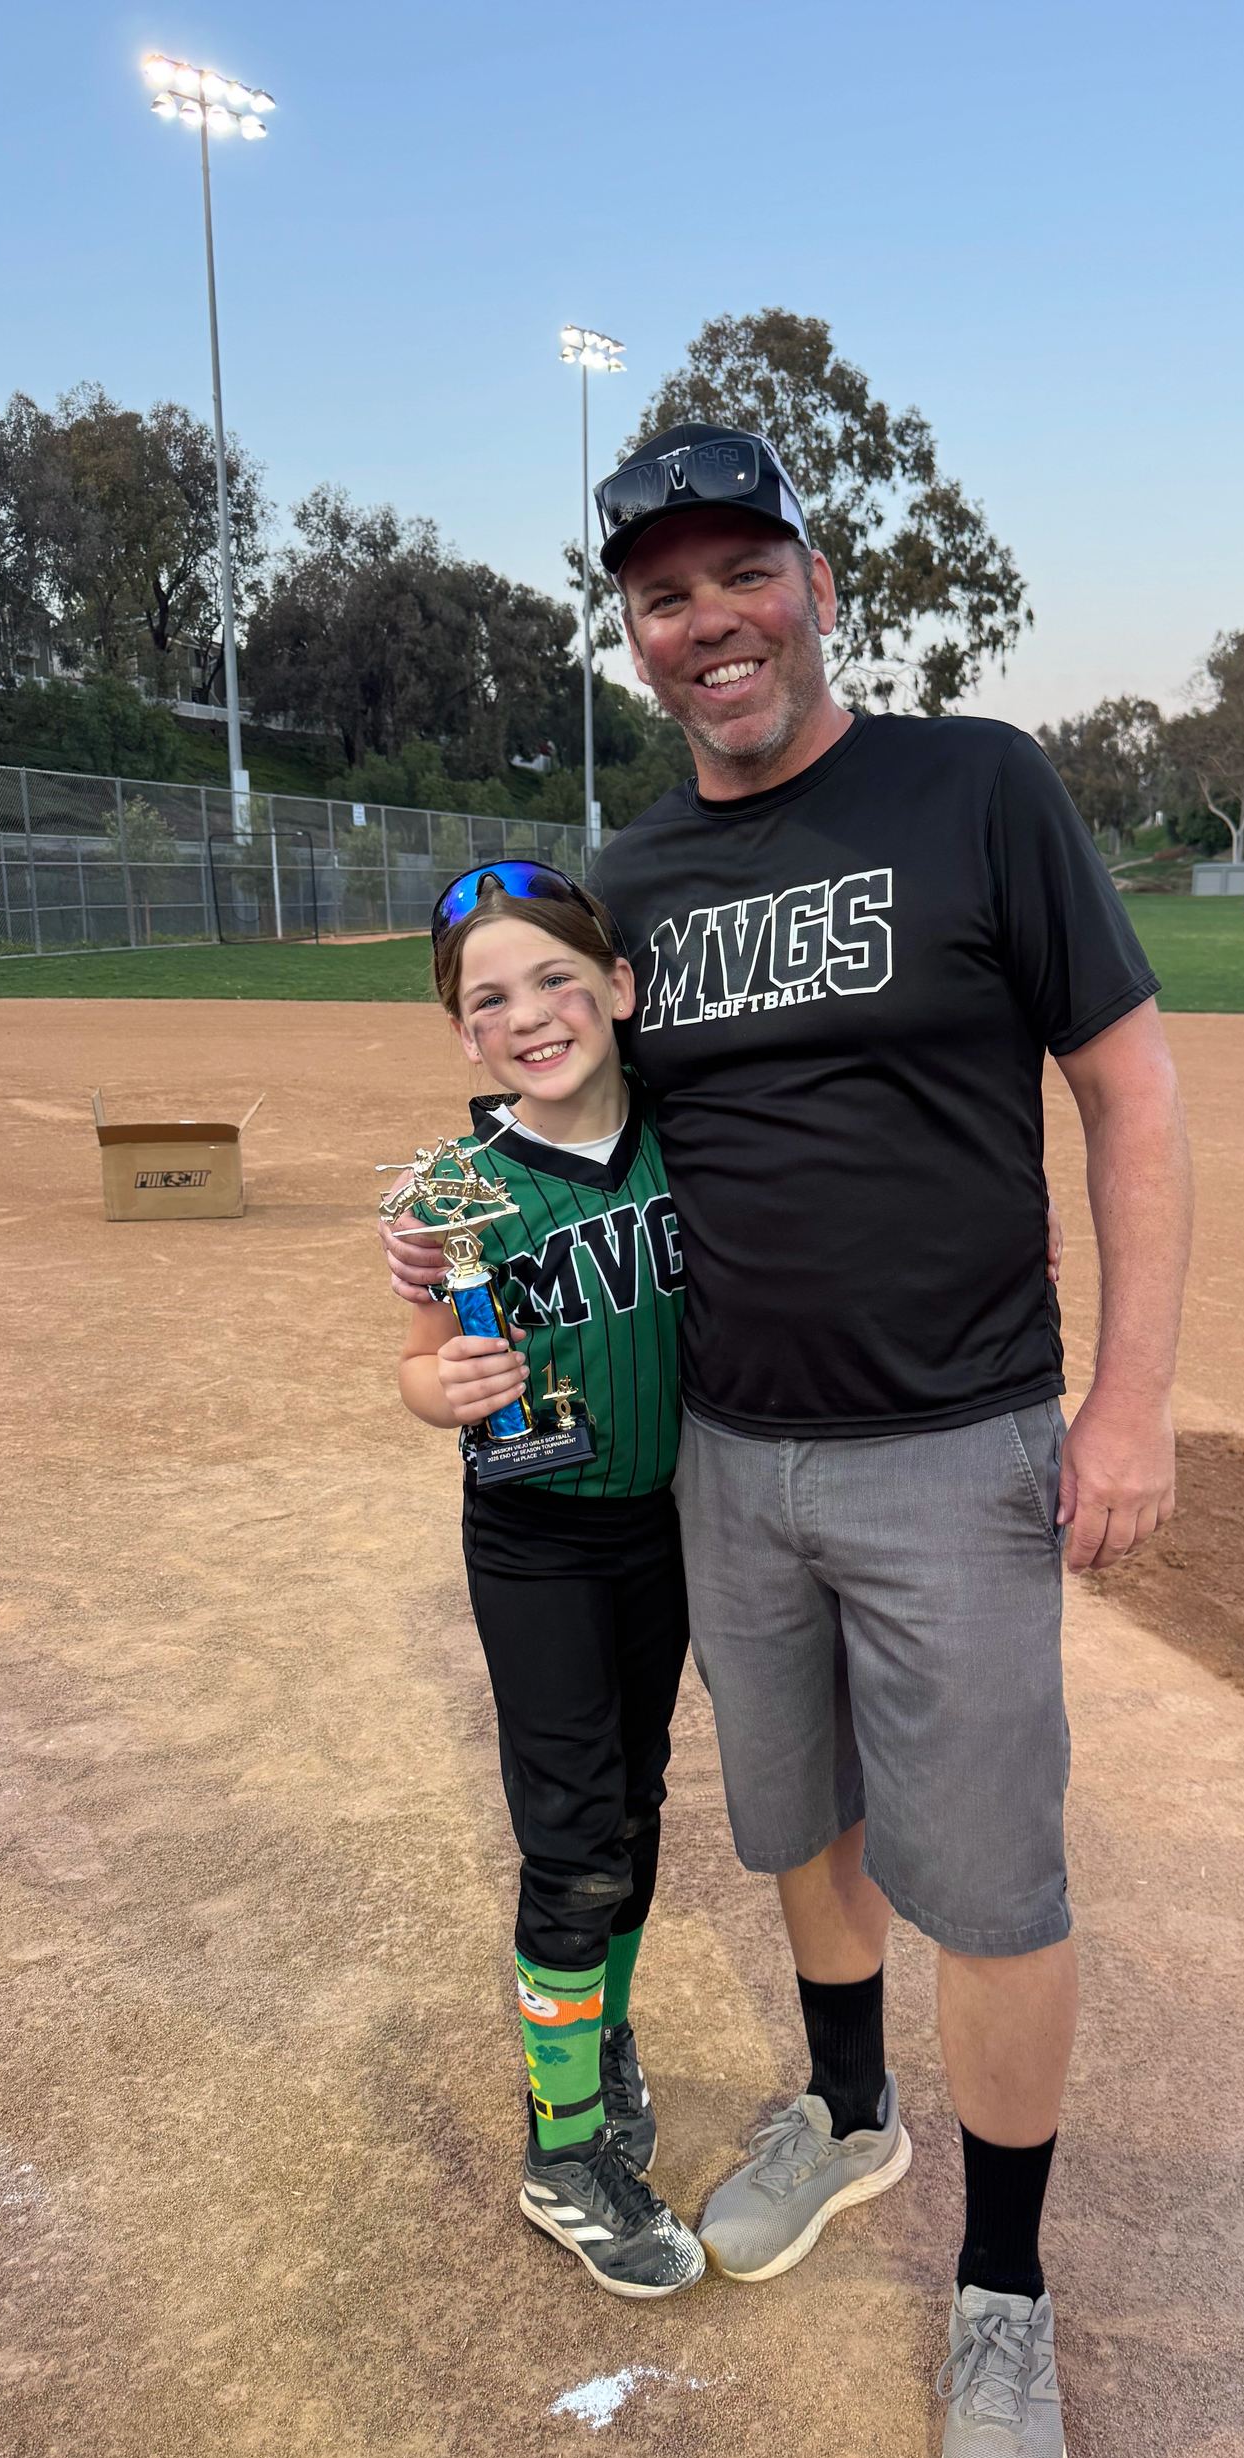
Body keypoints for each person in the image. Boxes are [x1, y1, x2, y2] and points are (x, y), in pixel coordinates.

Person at [386, 422, 1193, 2458]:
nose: (709, 621)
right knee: (798, 1820)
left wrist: (1131, 1403)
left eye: (743, 572)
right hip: (728, 1463)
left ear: (817, 583)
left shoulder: (976, 785)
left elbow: (1130, 1093)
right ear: (638, 635)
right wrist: (435, 1248)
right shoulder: (630, 888)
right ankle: (849, 2110)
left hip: (959, 1443)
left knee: (997, 1882)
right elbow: (565, 1117)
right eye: (665, 594)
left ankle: (1003, 2284)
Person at [393, 858, 706, 2301]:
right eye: (490, 998)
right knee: (577, 1835)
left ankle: (603, 2036)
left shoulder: (689, 1134)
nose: (529, 1015)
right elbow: (418, 1369)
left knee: (633, 1810)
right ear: (466, 1035)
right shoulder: (456, 1189)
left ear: (621, 991)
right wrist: (439, 1381)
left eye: (556, 979)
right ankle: (561, 2148)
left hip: (667, 1525)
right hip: (539, 1537)